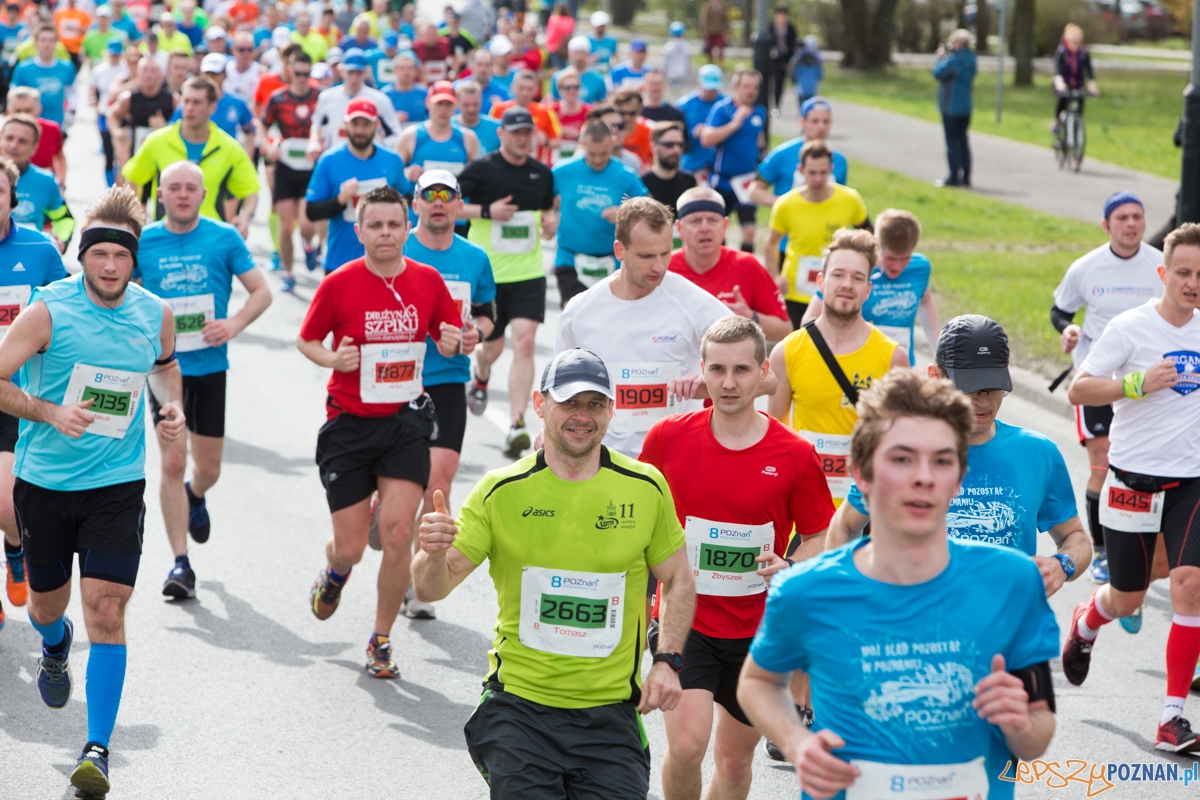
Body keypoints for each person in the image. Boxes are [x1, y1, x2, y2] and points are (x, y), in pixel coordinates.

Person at [739, 369, 1060, 800]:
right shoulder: (807, 591)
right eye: (902, 458)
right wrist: (798, 743)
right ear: (862, 476)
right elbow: (758, 682)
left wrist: (1019, 723)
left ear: (959, 476)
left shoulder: (1013, 583)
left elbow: (1037, 733)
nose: (923, 477)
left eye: (942, 460)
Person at [412, 345, 696, 798]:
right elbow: (432, 589)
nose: (582, 416)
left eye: (595, 404)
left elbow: (679, 578)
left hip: (609, 716)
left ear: (611, 411)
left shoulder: (645, 487)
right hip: (520, 710)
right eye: (569, 402)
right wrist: (430, 554)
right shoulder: (500, 491)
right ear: (541, 405)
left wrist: (667, 660)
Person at [0, 184, 185, 799]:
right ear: (82, 257)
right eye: (99, 255)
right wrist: (48, 412)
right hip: (45, 483)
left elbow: (163, 365)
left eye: (122, 257)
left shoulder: (154, 313)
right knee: (48, 608)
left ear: (135, 262)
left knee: (108, 610)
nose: (110, 267)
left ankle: (97, 748)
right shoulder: (48, 311)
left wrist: (172, 407)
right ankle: (55, 645)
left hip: (116, 484)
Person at [643, 315, 832, 800]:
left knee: (732, 760)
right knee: (686, 747)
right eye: (718, 369)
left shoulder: (794, 453)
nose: (729, 383)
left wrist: (790, 567)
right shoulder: (666, 439)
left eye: (742, 370)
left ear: (762, 372)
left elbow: (818, 534)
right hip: (687, 620)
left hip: (759, 630)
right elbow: (638, 521)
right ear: (702, 370)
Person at [299, 185, 464, 679]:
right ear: (360, 231)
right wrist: (332, 358)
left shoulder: (428, 280)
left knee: (397, 535)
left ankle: (381, 638)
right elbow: (307, 339)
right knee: (350, 546)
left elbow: (449, 337)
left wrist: (455, 342)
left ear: (407, 227)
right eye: (376, 225)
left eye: (395, 224)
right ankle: (335, 572)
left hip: (404, 423)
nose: (386, 233)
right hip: (348, 426)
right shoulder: (339, 283)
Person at [827, 314, 1091, 594]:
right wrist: (845, 598)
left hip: (1007, 629)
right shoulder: (899, 450)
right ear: (935, 377)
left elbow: (1075, 537)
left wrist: (1062, 564)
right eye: (970, 388)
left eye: (992, 388)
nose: (982, 400)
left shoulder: (1037, 453)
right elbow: (844, 526)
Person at [1061, 223, 1200, 752]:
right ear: (1163, 274)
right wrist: (1133, 384)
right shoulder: (1130, 328)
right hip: (1133, 479)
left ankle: (1171, 719)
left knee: (1189, 583)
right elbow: (1079, 388)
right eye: (1183, 272)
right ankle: (1088, 620)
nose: (1192, 283)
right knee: (1128, 596)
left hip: (1191, 482)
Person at [134, 161, 271, 600]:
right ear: (160, 194)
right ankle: (180, 563)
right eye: (173, 187)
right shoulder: (144, 241)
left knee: (207, 468)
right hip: (162, 370)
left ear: (203, 192)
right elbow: (126, 297)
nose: (182, 194)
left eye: (191, 187)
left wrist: (232, 325)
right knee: (172, 462)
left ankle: (197, 494)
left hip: (210, 369)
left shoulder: (223, 238)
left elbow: (261, 292)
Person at [556, 196, 740, 459]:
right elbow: (558, 392)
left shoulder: (694, 302)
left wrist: (714, 381)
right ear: (619, 250)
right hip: (602, 461)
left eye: (665, 253)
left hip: (676, 459)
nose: (659, 266)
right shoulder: (580, 310)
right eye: (646, 256)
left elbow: (762, 376)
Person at [1051, 191, 1163, 585]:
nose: (1131, 224)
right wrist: (1069, 330)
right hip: (1097, 378)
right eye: (1122, 218)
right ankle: (1101, 550)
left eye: (1137, 216)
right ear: (1107, 225)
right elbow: (1060, 311)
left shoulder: (1161, 266)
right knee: (1102, 459)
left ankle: (1146, 546)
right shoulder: (1086, 267)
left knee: (1143, 464)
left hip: (1151, 383)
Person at [400, 169, 495, 620]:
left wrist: (478, 332)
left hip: (448, 377)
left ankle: (419, 581)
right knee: (404, 482)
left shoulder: (475, 257)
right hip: (396, 379)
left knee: (439, 478)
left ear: (459, 205)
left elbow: (487, 313)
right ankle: (388, 511)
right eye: (429, 195)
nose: (438, 203)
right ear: (414, 203)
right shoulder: (399, 248)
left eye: (447, 196)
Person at [768, 227, 907, 507]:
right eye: (838, 274)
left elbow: (900, 443)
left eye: (857, 278)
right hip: (803, 511)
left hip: (864, 510)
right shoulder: (787, 351)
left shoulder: (893, 357)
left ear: (868, 289)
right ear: (820, 282)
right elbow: (775, 435)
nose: (847, 284)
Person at [459, 107, 557, 457]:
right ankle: (481, 377)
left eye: (527, 132)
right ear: (501, 134)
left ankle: (517, 423)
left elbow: (548, 211)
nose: (522, 137)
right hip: (491, 274)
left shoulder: (541, 174)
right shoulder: (482, 170)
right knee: (493, 349)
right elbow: (451, 207)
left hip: (528, 273)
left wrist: (550, 223)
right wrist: (487, 211)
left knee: (526, 343)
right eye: (515, 132)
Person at [0, 156, 68, 633]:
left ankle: (16, 548)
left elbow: (68, 318)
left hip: (12, 393)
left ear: (12, 200)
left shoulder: (38, 249)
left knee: (6, 505)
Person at [122, 76, 260, 233]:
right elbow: (132, 179)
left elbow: (251, 191)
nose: (189, 108)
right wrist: (135, 216)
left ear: (212, 107)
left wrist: (245, 217)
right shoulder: (157, 141)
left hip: (210, 239)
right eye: (186, 101)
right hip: (167, 237)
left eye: (197, 102)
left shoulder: (230, 148)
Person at [803, 209, 938, 366]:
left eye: (905, 258)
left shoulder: (920, 268)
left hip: (901, 366)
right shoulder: (857, 270)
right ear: (876, 243)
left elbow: (926, 300)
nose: (897, 266)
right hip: (856, 364)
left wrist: (937, 350)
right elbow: (809, 319)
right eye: (890, 258)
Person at [765, 141, 869, 327]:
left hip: (835, 289)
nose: (818, 179)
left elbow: (869, 235)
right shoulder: (786, 204)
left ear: (831, 169)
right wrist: (775, 276)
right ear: (800, 170)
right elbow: (770, 243)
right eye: (812, 173)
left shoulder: (850, 199)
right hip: (795, 291)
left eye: (823, 172)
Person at [670, 187, 791, 343]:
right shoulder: (665, 269)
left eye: (713, 220)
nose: (705, 228)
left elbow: (785, 330)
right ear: (679, 229)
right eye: (695, 221)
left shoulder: (747, 264)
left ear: (725, 226)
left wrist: (750, 318)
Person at [305, 98, 411, 274]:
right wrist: (341, 199)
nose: (360, 130)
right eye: (355, 124)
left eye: (366, 124)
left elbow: (407, 203)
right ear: (345, 124)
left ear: (377, 125)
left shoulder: (392, 161)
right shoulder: (329, 161)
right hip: (340, 261)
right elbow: (312, 211)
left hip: (386, 263)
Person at [552, 119, 648, 307]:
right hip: (570, 257)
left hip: (612, 261)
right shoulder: (562, 171)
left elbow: (649, 211)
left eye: (603, 153)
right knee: (575, 316)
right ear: (581, 143)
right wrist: (547, 220)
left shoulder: (625, 175)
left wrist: (624, 212)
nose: (597, 160)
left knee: (610, 320)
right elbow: (543, 201)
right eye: (592, 153)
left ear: (613, 142)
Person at [260, 50, 321, 291]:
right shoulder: (278, 98)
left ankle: (308, 245)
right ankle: (289, 273)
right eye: (298, 73)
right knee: (287, 226)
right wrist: (269, 148)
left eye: (307, 74)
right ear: (289, 71)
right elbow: (262, 128)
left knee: (306, 225)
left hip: (310, 168)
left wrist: (320, 144)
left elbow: (328, 125)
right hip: (286, 166)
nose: (302, 78)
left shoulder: (320, 97)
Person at [700, 68, 765, 254]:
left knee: (750, 231)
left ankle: (745, 270)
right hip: (722, 180)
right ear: (736, 88)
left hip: (746, 181)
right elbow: (707, 138)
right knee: (718, 232)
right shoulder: (723, 109)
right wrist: (735, 123)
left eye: (754, 87)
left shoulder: (760, 112)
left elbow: (758, 139)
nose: (750, 91)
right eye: (746, 86)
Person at [751, 97, 847, 212]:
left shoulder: (839, 160)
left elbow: (841, 199)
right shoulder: (782, 154)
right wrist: (788, 204)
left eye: (825, 121)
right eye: (815, 121)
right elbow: (754, 191)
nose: (821, 126)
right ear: (802, 122)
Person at [1, 115, 75, 253]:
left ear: (34, 147)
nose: (14, 145)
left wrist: (60, 239)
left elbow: (64, 219)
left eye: (22, 141)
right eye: (9, 138)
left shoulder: (46, 181)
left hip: (27, 260)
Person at [309, 48, 402, 154]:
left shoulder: (380, 100)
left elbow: (397, 135)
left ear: (366, 71)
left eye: (358, 73)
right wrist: (314, 142)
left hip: (367, 159)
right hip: (336, 159)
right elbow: (316, 124)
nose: (354, 78)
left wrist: (379, 143)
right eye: (350, 72)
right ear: (341, 71)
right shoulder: (326, 97)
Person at [397, 80, 479, 185]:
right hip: (420, 200)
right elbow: (395, 175)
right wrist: (407, 172)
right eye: (439, 103)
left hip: (456, 200)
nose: (444, 109)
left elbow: (476, 177)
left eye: (449, 104)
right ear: (428, 103)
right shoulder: (409, 136)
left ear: (456, 105)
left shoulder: (468, 138)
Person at [107, 55, 175, 175]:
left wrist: (165, 128)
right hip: (136, 155)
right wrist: (116, 132)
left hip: (163, 156)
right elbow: (112, 114)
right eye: (144, 70)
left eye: (153, 71)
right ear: (138, 74)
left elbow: (183, 126)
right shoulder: (129, 98)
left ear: (161, 75)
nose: (148, 75)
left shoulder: (172, 99)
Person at [933, 29, 977, 188]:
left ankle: (953, 176)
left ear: (958, 43)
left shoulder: (953, 61)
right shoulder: (972, 59)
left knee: (952, 142)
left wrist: (940, 59)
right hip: (966, 107)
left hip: (951, 107)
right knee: (963, 141)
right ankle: (966, 177)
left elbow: (938, 73)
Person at [489, 69, 562, 165]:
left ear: (536, 90)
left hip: (533, 164)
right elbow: (489, 135)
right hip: (503, 163)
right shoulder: (498, 109)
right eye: (521, 88)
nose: (525, 93)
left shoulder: (546, 111)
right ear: (513, 87)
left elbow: (557, 141)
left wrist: (545, 141)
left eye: (529, 89)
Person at [12, 26, 77, 127]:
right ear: (36, 42)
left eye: (51, 40)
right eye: (43, 40)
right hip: (29, 124)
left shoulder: (67, 67)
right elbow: (14, 93)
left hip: (56, 123)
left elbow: (72, 91)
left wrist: (72, 112)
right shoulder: (23, 68)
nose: (47, 44)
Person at [7, 87, 67, 191]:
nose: (23, 115)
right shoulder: (3, 134)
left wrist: (61, 184)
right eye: (18, 110)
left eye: (28, 110)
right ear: (9, 111)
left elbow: (59, 158)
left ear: (38, 109)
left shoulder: (52, 130)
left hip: (43, 188)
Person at [90, 39, 129, 186]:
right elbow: (92, 88)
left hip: (121, 115)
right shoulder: (99, 69)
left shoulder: (125, 70)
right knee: (108, 152)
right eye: (112, 54)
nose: (114, 57)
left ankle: (121, 184)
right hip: (104, 113)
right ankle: (109, 187)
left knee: (121, 153)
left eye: (117, 54)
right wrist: (92, 98)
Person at [641, 121, 696, 221]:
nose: (676, 150)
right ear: (653, 146)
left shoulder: (690, 182)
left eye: (680, 144)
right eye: (669, 144)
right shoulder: (642, 184)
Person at [678, 65, 725, 181]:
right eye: (708, 88)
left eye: (714, 88)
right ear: (699, 83)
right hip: (692, 166)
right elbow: (677, 137)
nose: (711, 92)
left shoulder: (726, 105)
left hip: (719, 169)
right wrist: (693, 132)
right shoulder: (684, 106)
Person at [1052, 23, 1098, 133]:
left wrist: (1092, 85)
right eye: (1073, 36)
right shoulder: (1062, 52)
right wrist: (1059, 83)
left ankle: (1077, 130)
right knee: (1063, 100)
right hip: (1064, 83)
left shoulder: (1083, 53)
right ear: (1067, 38)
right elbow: (1057, 70)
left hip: (1078, 83)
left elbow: (1089, 71)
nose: (1075, 39)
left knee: (1080, 101)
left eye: (1078, 36)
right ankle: (1057, 121)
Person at [548, 67, 591, 163]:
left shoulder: (589, 112)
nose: (572, 91)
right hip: (554, 161)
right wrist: (558, 133)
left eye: (575, 87)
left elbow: (595, 139)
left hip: (580, 161)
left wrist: (579, 135)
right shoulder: (551, 111)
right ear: (560, 90)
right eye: (567, 88)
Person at [551, 37, 607, 104]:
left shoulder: (598, 79)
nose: (579, 57)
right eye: (576, 53)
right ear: (569, 54)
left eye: (582, 53)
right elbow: (553, 102)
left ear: (588, 54)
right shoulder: (558, 77)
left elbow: (602, 104)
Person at [453, 81, 502, 154]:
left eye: (475, 104)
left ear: (481, 101)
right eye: (466, 105)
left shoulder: (497, 128)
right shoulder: (449, 127)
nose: (471, 109)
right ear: (457, 103)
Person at [456, 48, 511, 115]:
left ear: (492, 67)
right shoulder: (457, 88)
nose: (483, 69)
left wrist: (499, 108)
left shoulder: (501, 93)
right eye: (479, 64)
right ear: (472, 66)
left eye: (487, 65)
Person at [384, 51, 428, 124]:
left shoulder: (425, 93)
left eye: (410, 68)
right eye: (402, 68)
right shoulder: (385, 95)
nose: (406, 72)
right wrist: (392, 118)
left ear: (415, 71)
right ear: (395, 71)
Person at [768, 4, 796, 115]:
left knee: (779, 83)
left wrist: (788, 59)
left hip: (784, 61)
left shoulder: (790, 28)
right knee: (768, 83)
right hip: (772, 60)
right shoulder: (771, 26)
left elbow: (793, 44)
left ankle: (777, 105)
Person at [639, 68, 686, 133]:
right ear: (645, 86)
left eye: (658, 84)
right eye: (652, 84)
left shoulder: (675, 114)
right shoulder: (636, 113)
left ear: (664, 85)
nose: (655, 88)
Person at [53, 0, 90, 70]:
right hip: (63, 48)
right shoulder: (59, 13)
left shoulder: (83, 14)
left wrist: (82, 29)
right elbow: (55, 27)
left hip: (76, 49)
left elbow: (88, 29)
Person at [790, 35, 823, 105]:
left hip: (800, 88)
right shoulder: (816, 59)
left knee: (802, 108)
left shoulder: (797, 58)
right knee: (810, 108)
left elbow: (793, 73)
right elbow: (820, 74)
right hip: (812, 88)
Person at [700, 0, 730, 66]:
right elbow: (704, 19)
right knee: (709, 47)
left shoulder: (723, 8)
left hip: (720, 31)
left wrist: (726, 31)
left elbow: (726, 21)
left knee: (721, 47)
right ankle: (709, 62)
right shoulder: (708, 7)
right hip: (710, 31)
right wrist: (705, 30)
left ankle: (720, 63)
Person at [663, 22, 691, 90]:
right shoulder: (686, 46)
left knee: (672, 92)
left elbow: (665, 62)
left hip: (670, 74)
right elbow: (687, 61)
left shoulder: (668, 46)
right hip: (682, 73)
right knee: (680, 92)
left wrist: (663, 71)